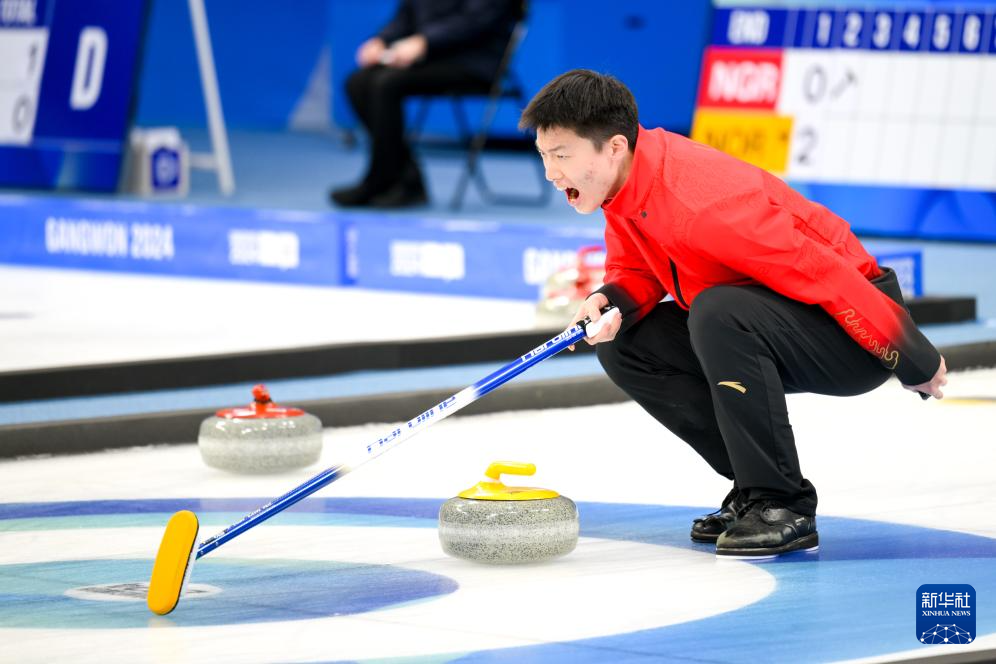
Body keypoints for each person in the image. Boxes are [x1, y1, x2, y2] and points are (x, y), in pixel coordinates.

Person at [519, 69, 948, 558]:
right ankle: (753, 485)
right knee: (626, 344)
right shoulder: (625, 185)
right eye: (544, 156)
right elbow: (636, 267)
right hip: (766, 319)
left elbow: (825, 274)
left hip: (850, 329)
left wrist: (910, 355)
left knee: (717, 310)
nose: (551, 172)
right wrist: (612, 301)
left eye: (561, 156)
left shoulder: (704, 202)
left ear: (614, 147)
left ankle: (781, 502)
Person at [331, 0, 520, 209]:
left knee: (386, 84)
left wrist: (425, 41)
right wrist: (382, 40)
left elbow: (475, 21)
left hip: (473, 60)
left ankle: (382, 179)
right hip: (430, 57)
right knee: (357, 83)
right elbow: (407, 14)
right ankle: (404, 176)